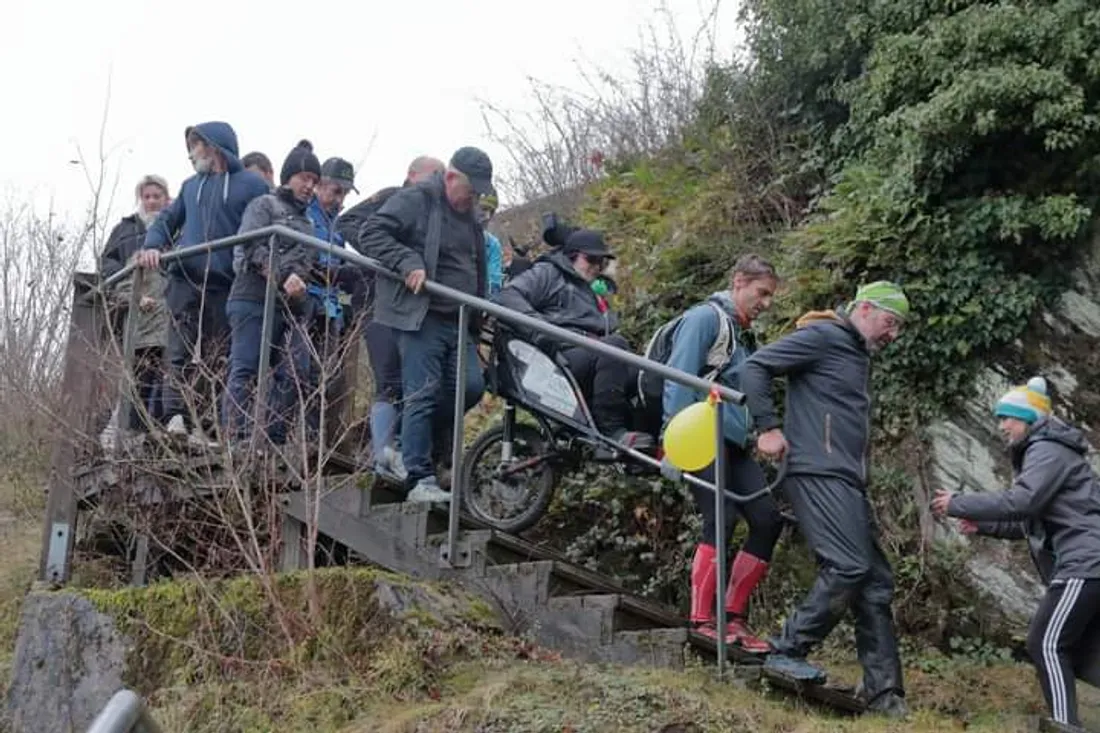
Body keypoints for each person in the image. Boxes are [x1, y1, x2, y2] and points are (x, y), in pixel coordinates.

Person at [740, 281, 910, 718]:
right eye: (891, 323)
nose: (894, 335)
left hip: (844, 479)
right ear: (866, 308)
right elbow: (756, 367)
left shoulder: (853, 352)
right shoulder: (824, 336)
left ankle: (885, 698)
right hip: (816, 471)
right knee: (849, 565)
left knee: (874, 582)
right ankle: (786, 647)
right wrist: (767, 428)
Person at [932, 377, 1100, 729]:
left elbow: (1021, 501)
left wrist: (959, 503)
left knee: (1046, 643)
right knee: (1086, 658)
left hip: (1085, 562)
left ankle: (1064, 725)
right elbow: (1031, 520)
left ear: (1028, 418)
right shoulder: (1048, 449)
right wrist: (984, 525)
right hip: (1088, 561)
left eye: (1008, 417)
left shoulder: (1047, 449)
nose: (1002, 425)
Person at [648, 254, 782, 652]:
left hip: (733, 442)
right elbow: (679, 376)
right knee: (719, 518)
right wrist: (672, 440)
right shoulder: (705, 319)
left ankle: (733, 617)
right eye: (762, 293)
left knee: (767, 519)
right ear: (739, 282)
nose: (766, 303)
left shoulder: (743, 336)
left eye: (771, 296)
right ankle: (702, 620)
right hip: (698, 436)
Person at [358, 148, 490, 502]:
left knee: (472, 386)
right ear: (450, 178)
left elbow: (475, 268)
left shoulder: (472, 218)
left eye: (479, 192)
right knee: (423, 392)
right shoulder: (417, 200)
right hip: (422, 316)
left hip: (460, 319)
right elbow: (372, 231)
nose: (473, 198)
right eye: (470, 190)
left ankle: (401, 439)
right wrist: (407, 262)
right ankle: (419, 478)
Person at [135, 121, 269, 446]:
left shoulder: (251, 185)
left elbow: (267, 219)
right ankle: (175, 418)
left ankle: (207, 424)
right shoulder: (190, 186)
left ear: (214, 147)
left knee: (219, 353)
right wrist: (153, 243)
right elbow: (168, 219)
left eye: (197, 146)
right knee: (178, 348)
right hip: (185, 276)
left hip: (226, 282)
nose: (192, 154)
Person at [337, 155, 445, 480]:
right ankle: (383, 454)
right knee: (389, 377)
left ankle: (396, 451)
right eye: (435, 175)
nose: (440, 181)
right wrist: (385, 255)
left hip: (409, 306)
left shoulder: (434, 214)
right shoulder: (390, 198)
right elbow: (346, 222)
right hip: (375, 300)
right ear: (413, 175)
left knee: (411, 378)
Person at [496, 228, 651, 453]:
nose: (596, 267)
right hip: (558, 355)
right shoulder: (548, 273)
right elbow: (508, 296)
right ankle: (610, 432)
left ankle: (644, 440)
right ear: (572, 256)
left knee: (643, 372)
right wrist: (540, 329)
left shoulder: (592, 290)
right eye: (591, 259)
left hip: (589, 355)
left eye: (601, 262)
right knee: (614, 347)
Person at [226, 141, 321, 446]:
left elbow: (307, 262)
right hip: (252, 295)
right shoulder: (263, 205)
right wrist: (282, 277)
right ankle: (236, 438)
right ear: (288, 176)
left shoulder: (309, 223)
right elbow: (252, 245)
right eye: (304, 178)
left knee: (295, 370)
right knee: (246, 366)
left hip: (288, 306)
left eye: (314, 181)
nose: (309, 186)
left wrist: (298, 283)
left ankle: (274, 440)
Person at [477, 186, 504, 296]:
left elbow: (494, 279)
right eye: (482, 209)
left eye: (490, 211)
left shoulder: (493, 244)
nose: (486, 216)